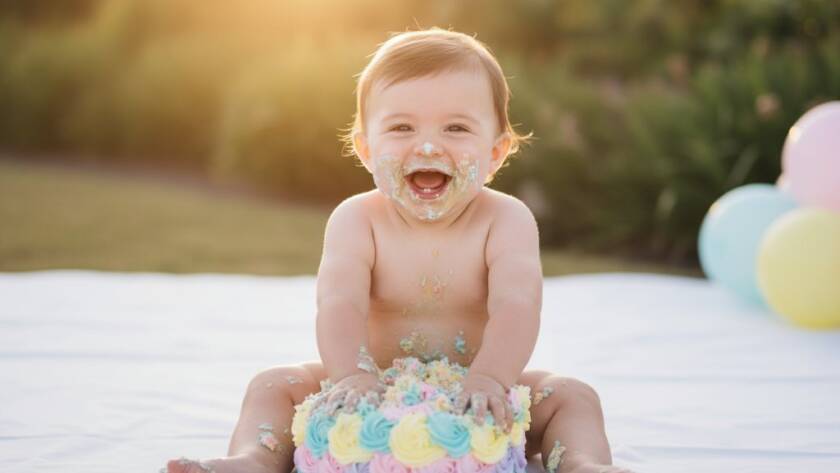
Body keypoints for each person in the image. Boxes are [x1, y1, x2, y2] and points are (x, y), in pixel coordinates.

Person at [167, 28, 631, 473]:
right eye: (402, 127)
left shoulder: (506, 221)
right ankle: (254, 460)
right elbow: (339, 303)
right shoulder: (356, 220)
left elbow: (517, 304)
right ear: (366, 149)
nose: (427, 144)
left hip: (478, 390)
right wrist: (351, 374)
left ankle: (582, 465)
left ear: (495, 152)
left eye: (456, 128)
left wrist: (490, 379)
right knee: (272, 385)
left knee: (571, 395)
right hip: (372, 383)